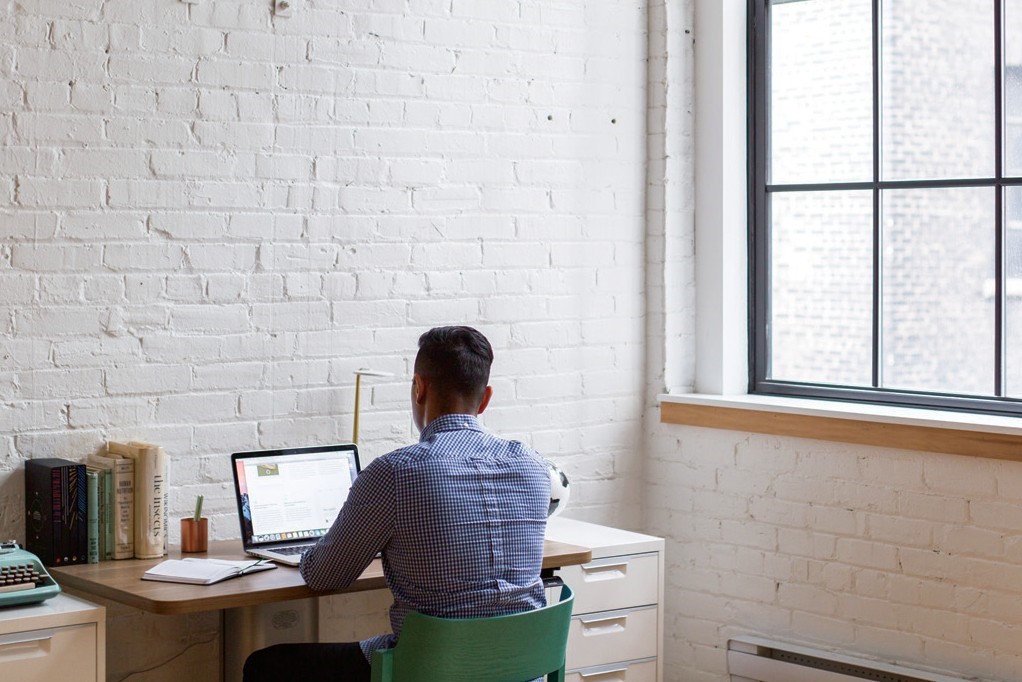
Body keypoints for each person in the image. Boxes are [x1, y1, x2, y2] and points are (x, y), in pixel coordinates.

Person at [243, 325, 551, 682]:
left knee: (266, 666)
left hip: (429, 670)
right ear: (485, 399)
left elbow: (324, 575)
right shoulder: (533, 465)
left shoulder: (396, 472)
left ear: (419, 388)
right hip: (522, 669)